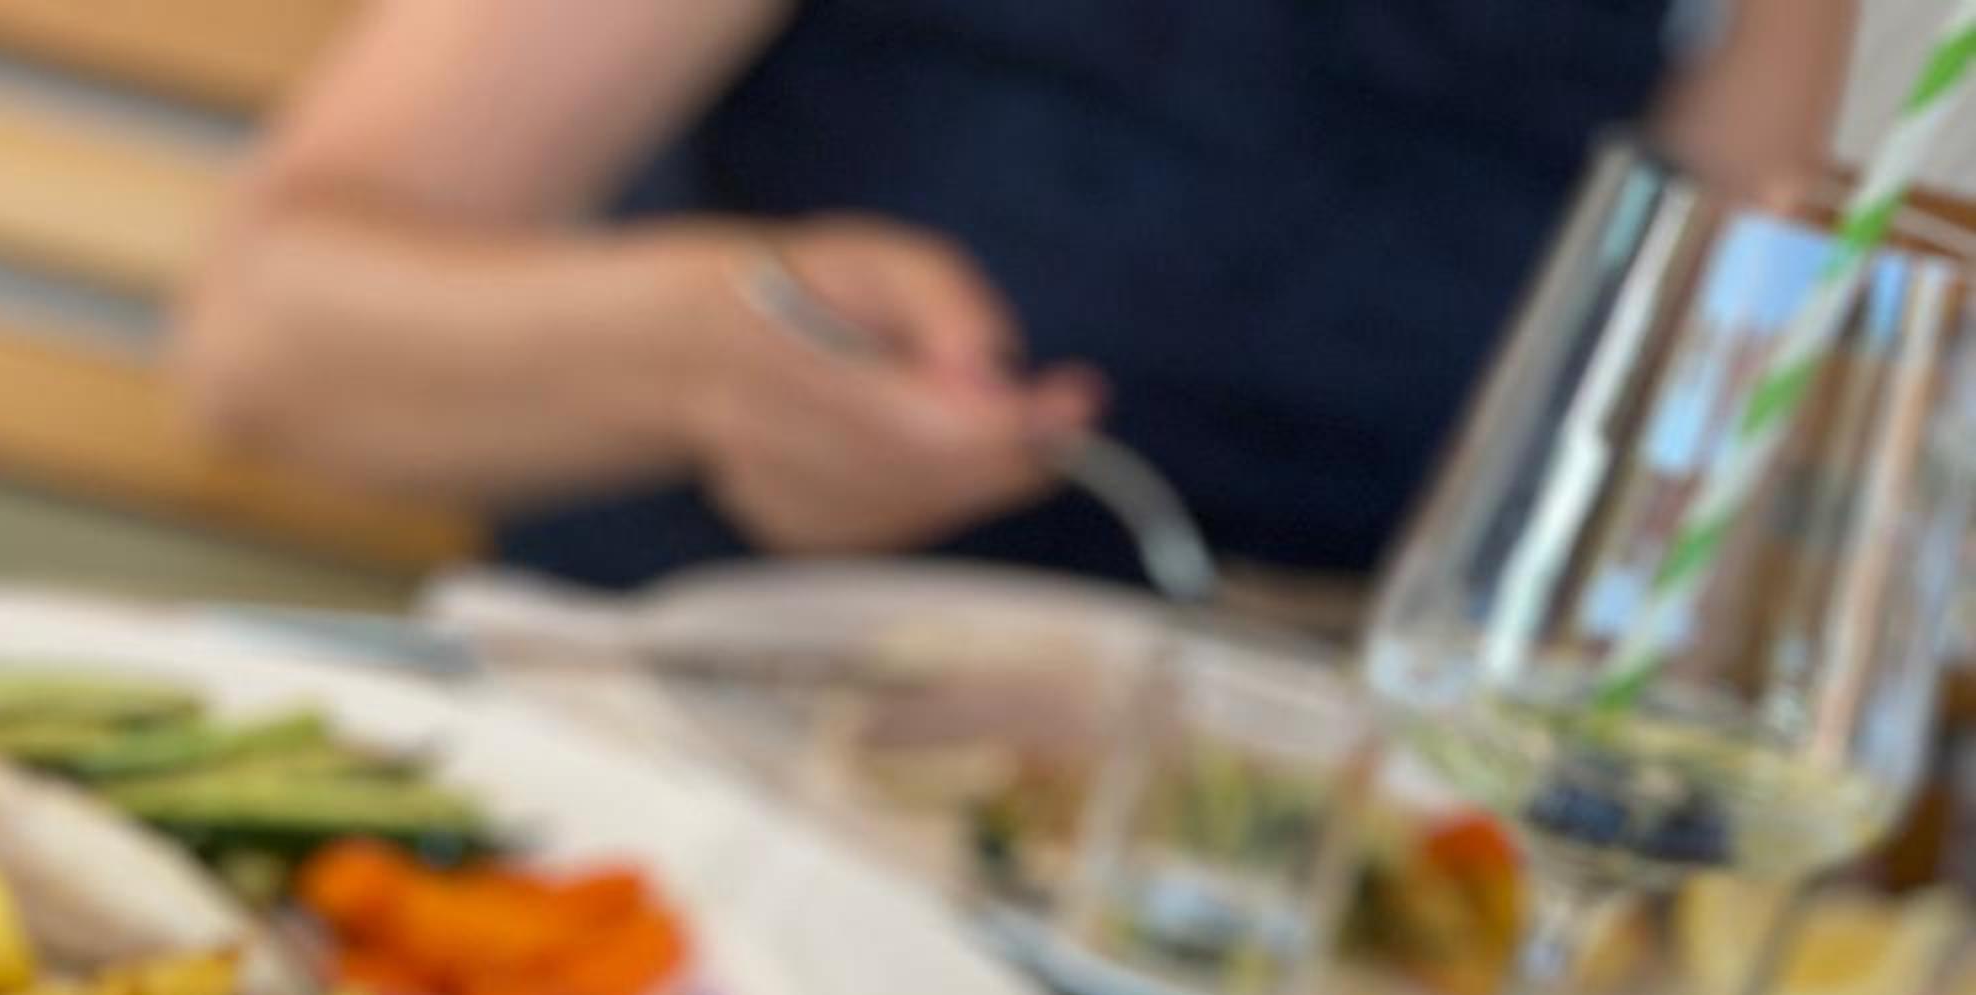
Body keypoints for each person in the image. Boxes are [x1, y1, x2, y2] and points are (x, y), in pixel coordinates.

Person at [179, 0, 1852, 591]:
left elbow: (1667, 538)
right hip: (691, 827)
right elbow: (269, 331)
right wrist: (698, 355)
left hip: (1269, 954)